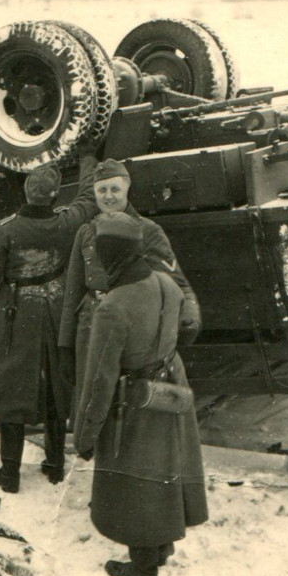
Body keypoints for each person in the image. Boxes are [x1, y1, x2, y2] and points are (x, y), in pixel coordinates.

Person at [73, 213, 208, 576]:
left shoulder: (112, 307)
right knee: (165, 471)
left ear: (108, 254)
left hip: (134, 402)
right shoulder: (167, 284)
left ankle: (144, 570)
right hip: (169, 390)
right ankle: (161, 549)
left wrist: (85, 435)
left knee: (137, 487)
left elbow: (99, 379)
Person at [0, 153, 99, 493]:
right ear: (55, 195)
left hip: (15, 314)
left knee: (12, 385)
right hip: (56, 310)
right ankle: (55, 466)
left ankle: (9, 473)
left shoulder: (7, 229)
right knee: (56, 384)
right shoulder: (67, 221)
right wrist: (89, 162)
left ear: (26, 192)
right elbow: (87, 199)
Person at [59, 158, 201, 417]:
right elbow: (73, 291)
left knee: (130, 406)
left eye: (115, 189)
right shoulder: (87, 233)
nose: (108, 196)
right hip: (90, 328)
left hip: (134, 328)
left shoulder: (148, 231)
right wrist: (65, 344)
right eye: (102, 190)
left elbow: (176, 282)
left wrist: (188, 319)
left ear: (127, 189)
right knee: (94, 399)